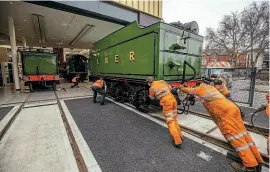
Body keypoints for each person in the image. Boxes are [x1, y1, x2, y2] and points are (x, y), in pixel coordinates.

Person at [179, 80, 264, 172]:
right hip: (233, 109)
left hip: (225, 113)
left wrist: (181, 87)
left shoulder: (200, 89)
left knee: (235, 138)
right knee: (243, 134)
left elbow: (188, 90)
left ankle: (250, 167)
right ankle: (258, 161)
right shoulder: (211, 88)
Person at [146, 76, 183, 148]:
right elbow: (170, 88)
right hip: (173, 99)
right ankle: (180, 135)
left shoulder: (151, 88)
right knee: (174, 118)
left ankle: (177, 141)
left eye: (147, 83)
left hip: (166, 102)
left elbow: (152, 97)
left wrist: (155, 96)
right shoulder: (161, 81)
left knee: (170, 121)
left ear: (148, 82)